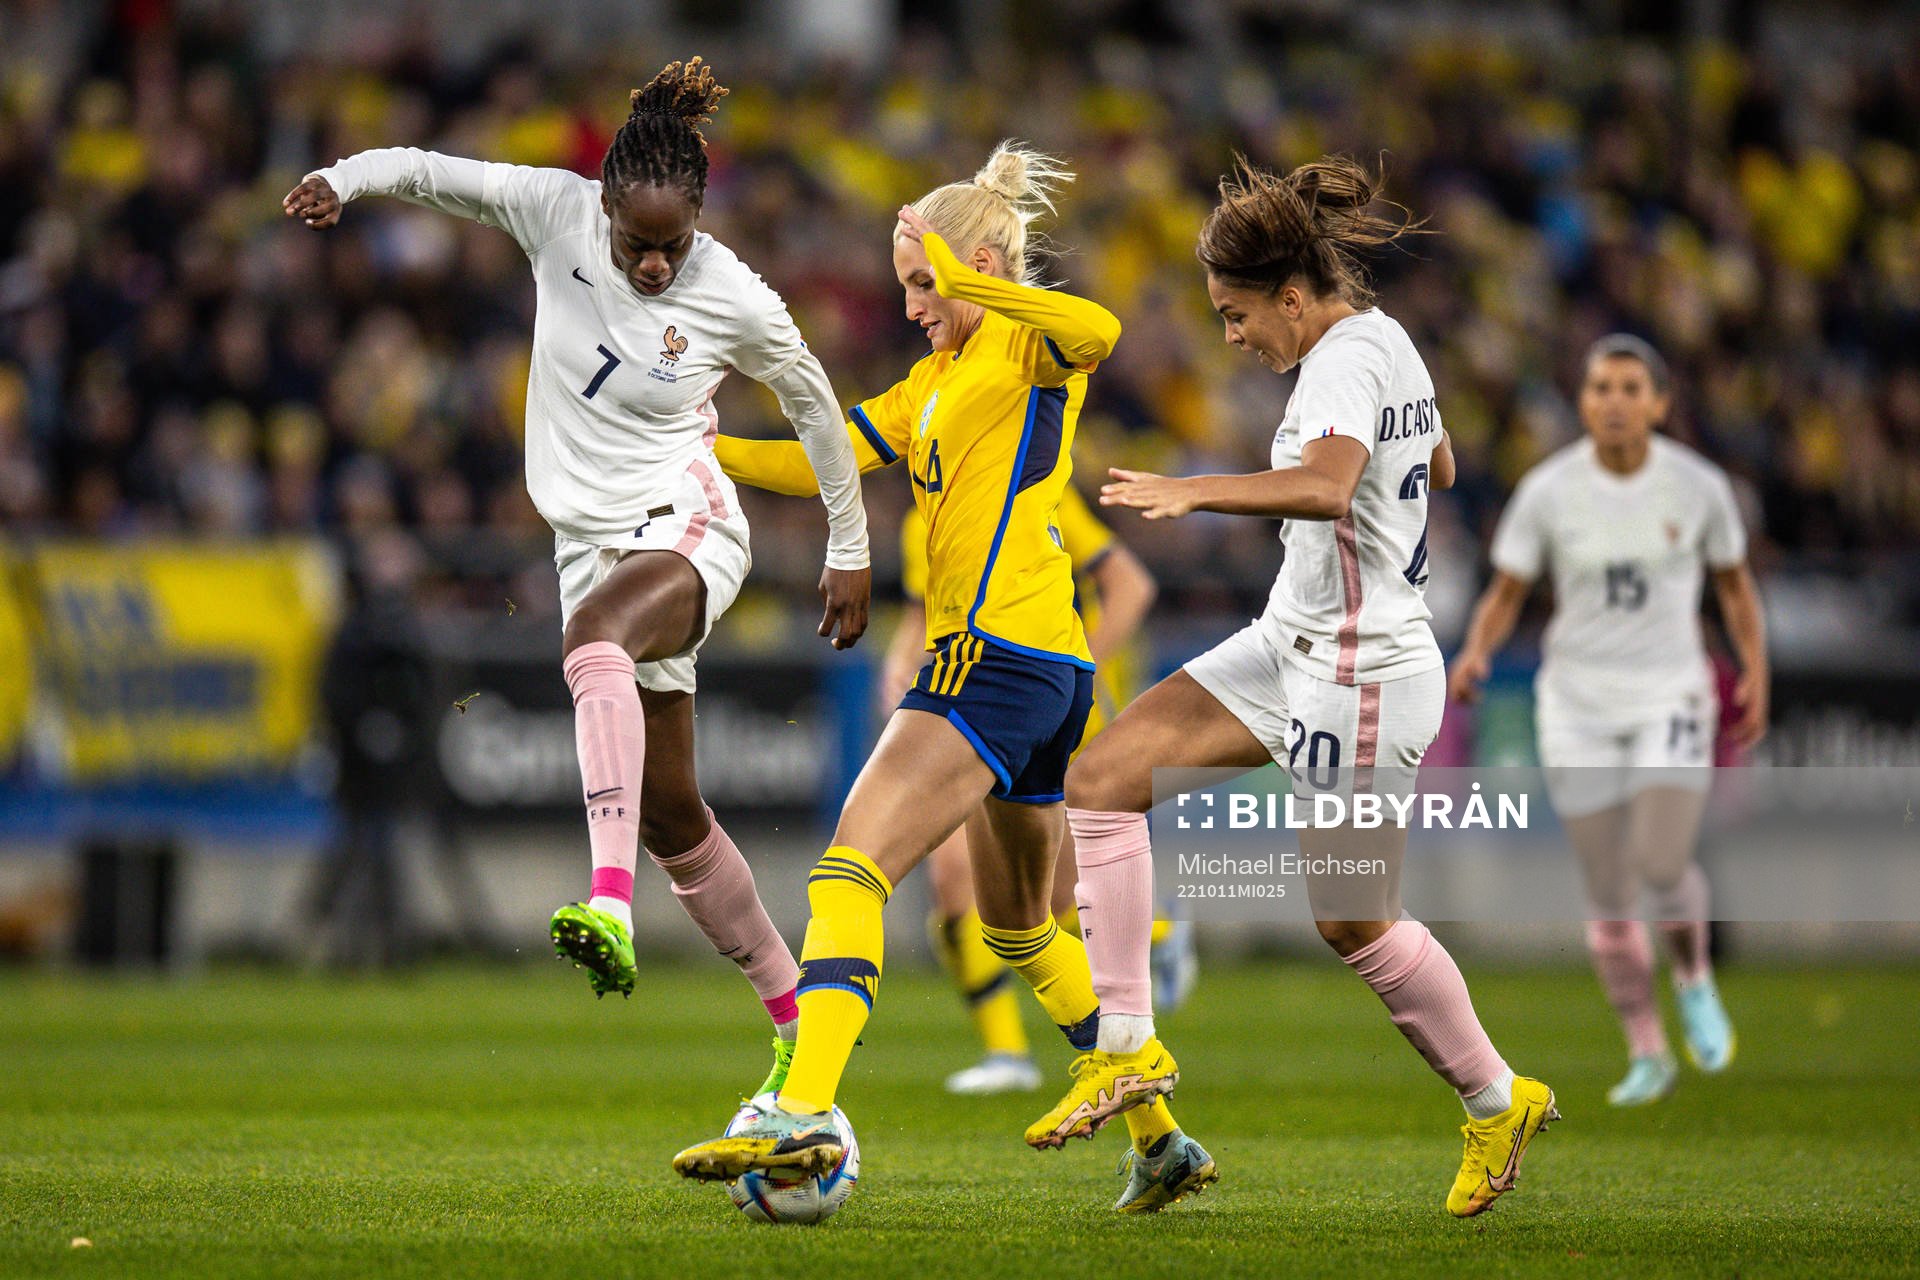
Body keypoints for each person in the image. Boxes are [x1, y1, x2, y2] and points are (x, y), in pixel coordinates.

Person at [283, 58, 872, 1100]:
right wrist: (348, 175)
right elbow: (428, 170)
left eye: (672, 244)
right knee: (674, 813)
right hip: (587, 542)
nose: (653, 266)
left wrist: (849, 546)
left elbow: (815, 404)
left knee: (592, 643)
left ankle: (607, 903)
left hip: (691, 525)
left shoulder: (732, 292)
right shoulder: (552, 214)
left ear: (697, 214)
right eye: (637, 245)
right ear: (602, 205)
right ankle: (797, 1015)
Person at [674, 142, 1217, 1214]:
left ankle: (803, 1108)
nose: (915, 304)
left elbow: (1097, 331)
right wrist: (703, 448)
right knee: (1018, 924)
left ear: (973, 265)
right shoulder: (931, 383)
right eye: (909, 286)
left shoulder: (1022, 344)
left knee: (848, 871)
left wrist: (974, 281)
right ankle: (1161, 1140)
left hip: (993, 659)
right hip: (1046, 671)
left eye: (924, 282)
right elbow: (820, 454)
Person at [1060, 154, 1556, 1219]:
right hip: (1291, 639)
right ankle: (1126, 1047)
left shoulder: (1339, 359)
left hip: (1361, 669)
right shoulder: (1385, 346)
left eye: (1239, 315)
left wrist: (1195, 490)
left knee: (1353, 923)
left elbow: (1330, 487)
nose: (1232, 335)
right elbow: (1446, 464)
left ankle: (1495, 1097)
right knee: (1101, 776)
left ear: (1293, 297)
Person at [1448, 334, 1766, 1106]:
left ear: (1659, 403)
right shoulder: (1550, 491)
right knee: (1609, 888)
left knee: (1661, 860)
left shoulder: (1698, 488)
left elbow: (1732, 589)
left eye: (1631, 388)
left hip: (1669, 692)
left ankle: (1692, 976)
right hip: (1577, 701)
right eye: (1600, 388)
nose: (1614, 402)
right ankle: (1647, 1048)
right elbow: (1506, 591)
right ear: (1583, 402)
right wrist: (1476, 652)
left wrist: (1756, 667)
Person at [880, 485, 1173, 1096]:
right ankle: (1007, 1052)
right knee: (954, 881)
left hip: (1055, 724)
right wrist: (898, 676)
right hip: (969, 717)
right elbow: (920, 617)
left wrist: (1073, 670)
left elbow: (1131, 585)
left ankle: (1156, 941)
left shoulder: (1038, 498)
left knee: (1053, 902)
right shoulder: (923, 520)